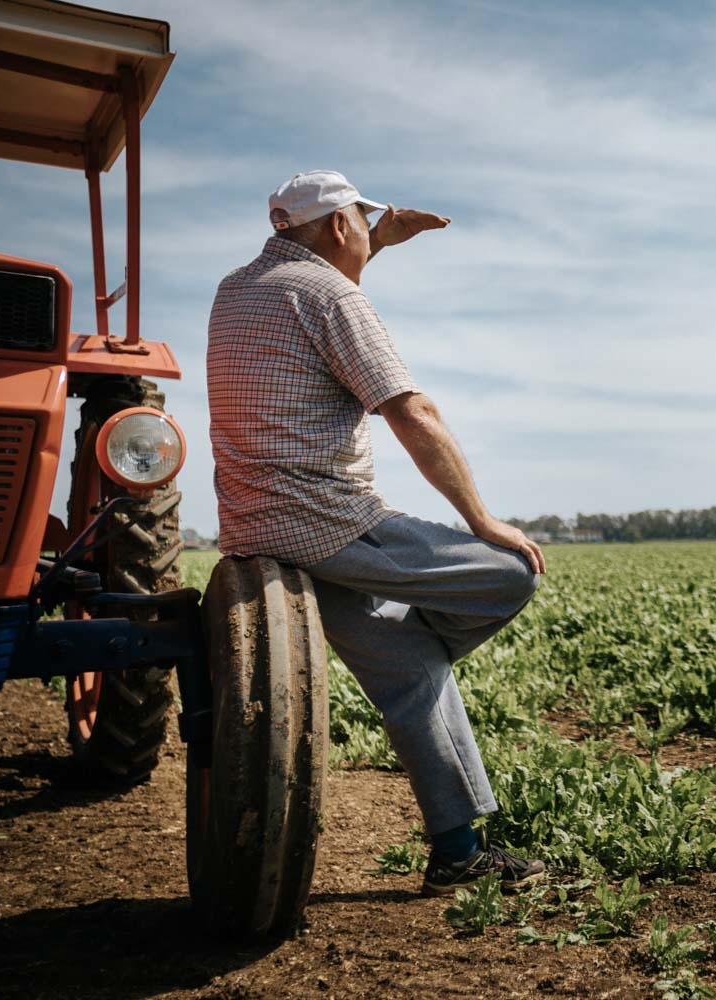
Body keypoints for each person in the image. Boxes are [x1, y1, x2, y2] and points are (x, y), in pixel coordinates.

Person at [207, 170, 547, 896]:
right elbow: (410, 411)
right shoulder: (334, 296)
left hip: (253, 527)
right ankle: (422, 651)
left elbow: (312, 279)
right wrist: (482, 522)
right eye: (361, 221)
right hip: (326, 523)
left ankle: (458, 851)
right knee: (511, 572)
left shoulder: (237, 290)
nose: (368, 233)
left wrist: (381, 238)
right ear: (336, 228)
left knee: (411, 669)